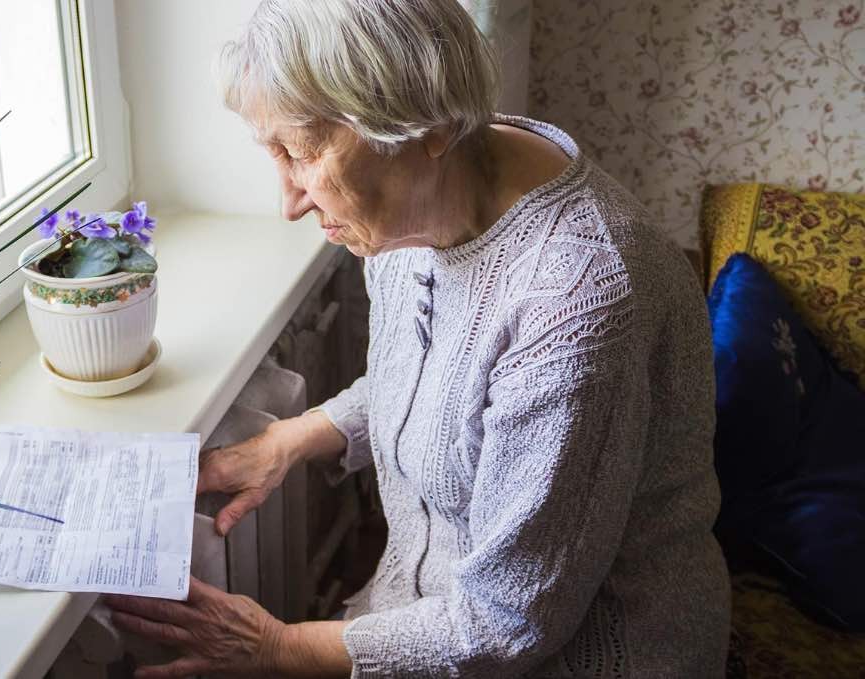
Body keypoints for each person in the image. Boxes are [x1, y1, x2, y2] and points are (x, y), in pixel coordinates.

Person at [104, 0, 731, 676]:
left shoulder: (573, 303)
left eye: (305, 152)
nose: (289, 201)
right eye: (274, 153)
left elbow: (506, 624)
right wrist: (295, 436)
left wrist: (274, 648)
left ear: (425, 126)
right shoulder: (412, 211)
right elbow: (446, 384)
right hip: (425, 615)